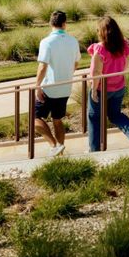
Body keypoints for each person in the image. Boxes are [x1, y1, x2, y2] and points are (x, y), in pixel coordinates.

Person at [87, 16, 129, 152]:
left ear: (102, 32)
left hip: (102, 89)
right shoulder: (122, 45)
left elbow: (96, 72)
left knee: (94, 117)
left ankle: (95, 149)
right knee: (115, 114)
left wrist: (94, 90)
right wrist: (119, 73)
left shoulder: (100, 50)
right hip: (118, 86)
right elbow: (126, 63)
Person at [34, 10, 80, 157]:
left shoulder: (46, 42)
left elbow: (42, 66)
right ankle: (59, 152)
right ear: (65, 24)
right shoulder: (73, 41)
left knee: (34, 120)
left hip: (50, 88)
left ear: (50, 23)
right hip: (65, 87)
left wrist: (37, 86)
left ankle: (54, 145)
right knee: (57, 119)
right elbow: (76, 64)